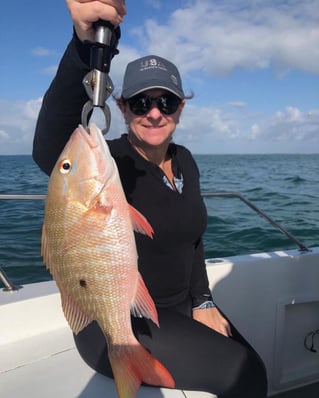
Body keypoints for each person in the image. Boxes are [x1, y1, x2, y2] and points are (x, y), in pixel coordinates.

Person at [32, 1, 267, 396]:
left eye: (167, 102)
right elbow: (50, 150)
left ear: (180, 109)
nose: (155, 113)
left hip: (178, 308)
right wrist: (84, 45)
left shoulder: (186, 162)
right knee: (245, 376)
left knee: (253, 366)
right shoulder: (114, 164)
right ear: (121, 107)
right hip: (112, 318)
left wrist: (204, 302)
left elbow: (194, 240)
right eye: (141, 102)